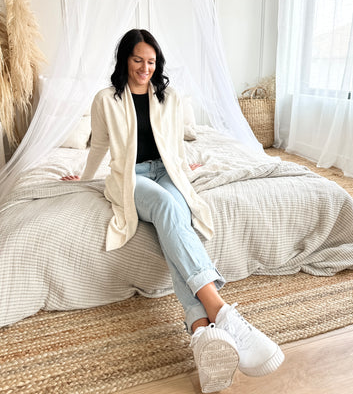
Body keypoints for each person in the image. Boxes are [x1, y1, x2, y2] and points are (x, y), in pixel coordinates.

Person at [61, 29, 284, 393]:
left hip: (166, 172)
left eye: (151, 62)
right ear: (124, 61)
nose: (145, 68)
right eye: (138, 60)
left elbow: (174, 147)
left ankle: (200, 332)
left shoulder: (170, 96)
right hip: (130, 177)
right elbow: (100, 145)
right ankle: (223, 312)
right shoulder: (105, 99)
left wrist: (184, 172)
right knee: (167, 206)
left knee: (177, 215)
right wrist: (84, 177)